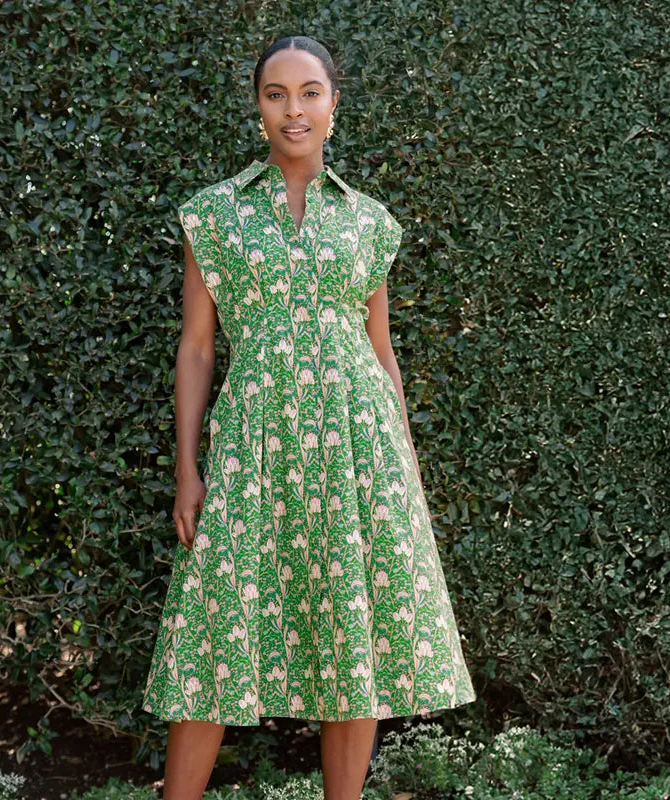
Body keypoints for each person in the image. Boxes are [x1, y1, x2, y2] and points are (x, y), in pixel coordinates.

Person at [142, 34, 477, 800]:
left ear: (334, 103)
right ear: (258, 107)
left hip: (360, 445)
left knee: (352, 633)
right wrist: (187, 469)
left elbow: (381, 350)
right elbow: (197, 350)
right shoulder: (216, 215)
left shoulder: (369, 222)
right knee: (213, 629)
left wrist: (408, 466)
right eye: (276, 94)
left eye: (309, 92)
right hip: (252, 443)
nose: (294, 109)